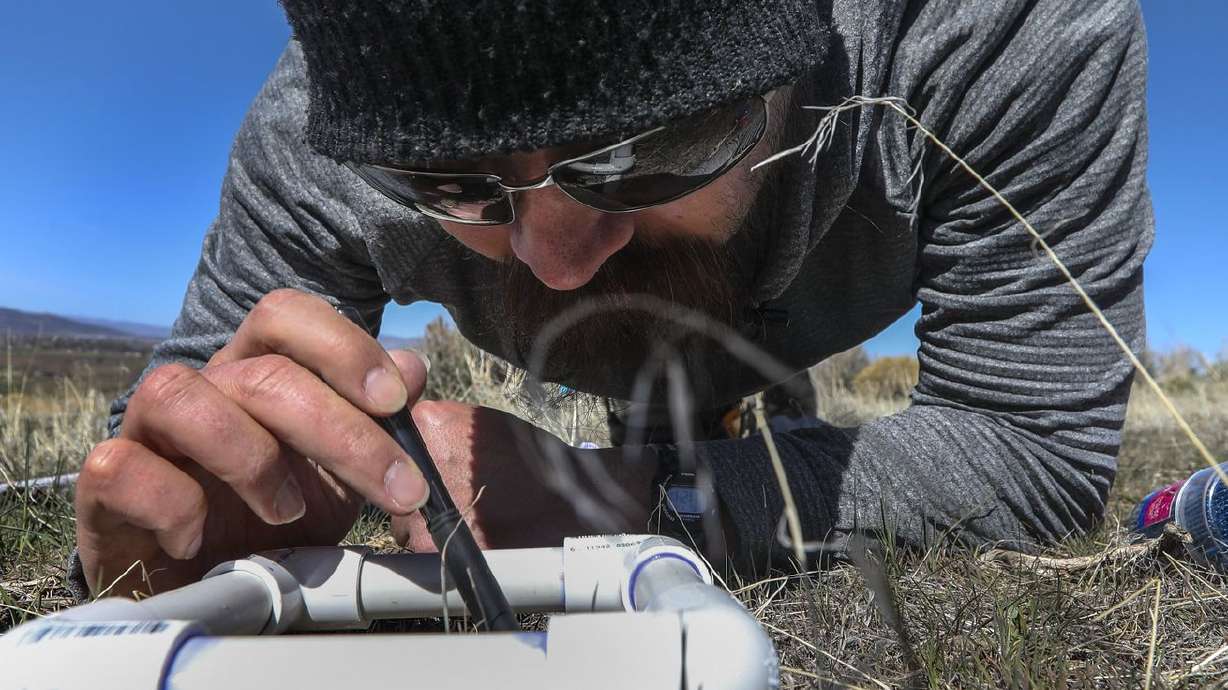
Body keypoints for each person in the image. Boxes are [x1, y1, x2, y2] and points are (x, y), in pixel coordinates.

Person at [70, 0, 1153, 598]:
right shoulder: (326, 134)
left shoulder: (1003, 31)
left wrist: (610, 498)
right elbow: (183, 417)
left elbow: (1034, 446)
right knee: (665, 422)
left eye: (655, 146)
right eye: (453, 184)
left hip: (804, 323)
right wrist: (169, 522)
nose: (553, 260)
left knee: (723, 423)